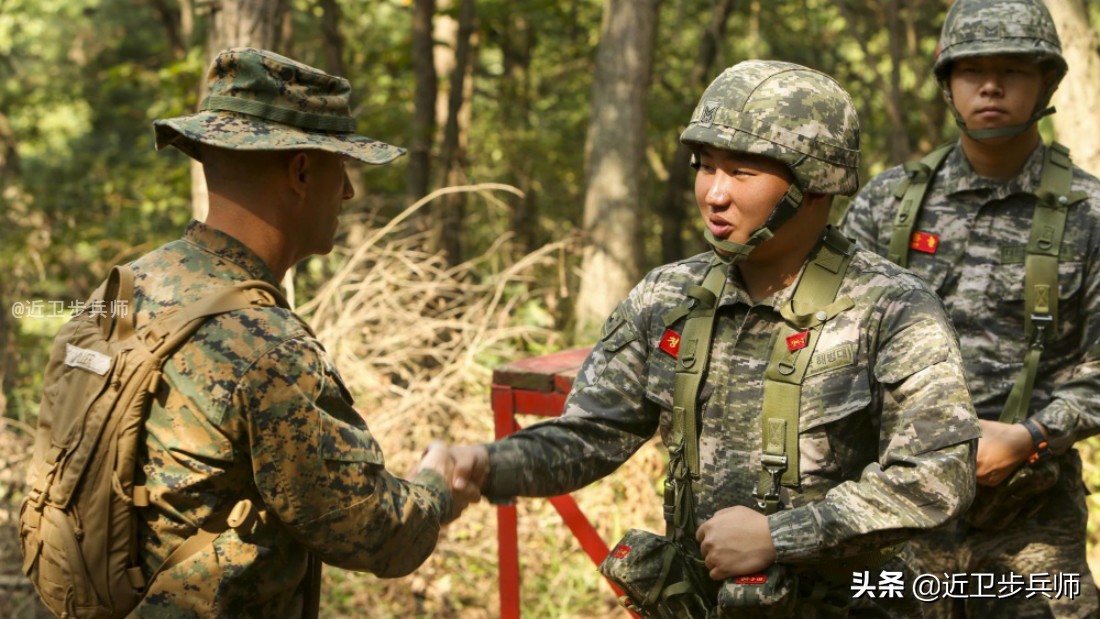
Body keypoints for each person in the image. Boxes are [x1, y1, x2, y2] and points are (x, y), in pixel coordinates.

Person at [450, 60, 980, 617]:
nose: (715, 193)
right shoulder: (666, 297)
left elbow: (936, 477)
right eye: (706, 167)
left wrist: (782, 536)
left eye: (743, 173)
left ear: (816, 183)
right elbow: (589, 435)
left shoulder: (891, 307)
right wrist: (484, 465)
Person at [127, 48, 459, 617]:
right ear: (302, 171)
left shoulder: (123, 291)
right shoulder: (265, 347)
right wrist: (441, 483)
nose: (349, 191)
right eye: (342, 166)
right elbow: (373, 530)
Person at [840, 1, 1100, 616]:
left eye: (1012, 69)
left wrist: (1032, 435)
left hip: (1029, 521)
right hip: (895, 514)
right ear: (948, 84)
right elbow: (829, 345)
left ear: (1046, 83)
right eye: (971, 69)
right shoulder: (888, 204)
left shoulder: (1089, 215)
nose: (990, 85)